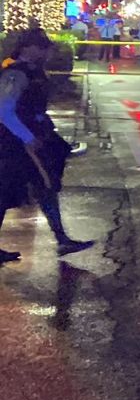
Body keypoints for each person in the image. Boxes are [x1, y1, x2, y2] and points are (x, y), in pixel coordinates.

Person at [0, 28, 95, 263]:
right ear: (28, 48)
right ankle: (62, 239)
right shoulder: (16, 73)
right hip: (18, 144)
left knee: (45, 187)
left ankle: (62, 239)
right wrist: (27, 137)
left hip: (31, 139)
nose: (45, 51)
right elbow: (4, 110)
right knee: (8, 192)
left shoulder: (31, 72)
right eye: (41, 47)